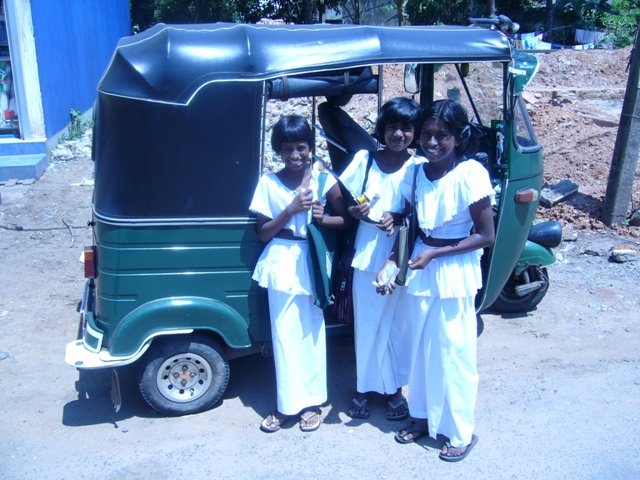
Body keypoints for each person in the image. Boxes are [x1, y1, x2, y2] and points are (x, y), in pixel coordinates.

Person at [376, 99, 495, 461]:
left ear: (458, 138)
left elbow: (485, 235)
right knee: (419, 348)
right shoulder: (416, 173)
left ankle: (460, 431)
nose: (432, 142)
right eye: (427, 134)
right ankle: (421, 416)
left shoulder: (470, 174)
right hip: (421, 266)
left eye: (442, 135)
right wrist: (392, 262)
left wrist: (435, 254)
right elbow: (410, 223)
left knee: (453, 353)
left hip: (453, 270)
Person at [250, 115, 349, 433]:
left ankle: (311, 403)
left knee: (311, 332)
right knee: (284, 334)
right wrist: (290, 210)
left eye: (301, 147)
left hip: (312, 259)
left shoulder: (323, 179)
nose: (295, 155)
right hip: (281, 260)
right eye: (287, 149)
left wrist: (323, 218)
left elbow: (346, 220)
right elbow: (263, 233)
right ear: (278, 151)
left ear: (310, 147)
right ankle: (286, 405)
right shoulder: (268, 183)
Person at [339, 97, 421, 421]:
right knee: (368, 324)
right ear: (382, 129)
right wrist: (355, 211)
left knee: (397, 326)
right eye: (392, 127)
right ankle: (363, 387)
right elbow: (344, 202)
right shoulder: (365, 160)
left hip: (400, 252)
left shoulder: (419, 167)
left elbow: (423, 213)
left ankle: (394, 389)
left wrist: (398, 217)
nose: (399, 134)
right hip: (367, 251)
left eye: (406, 128)